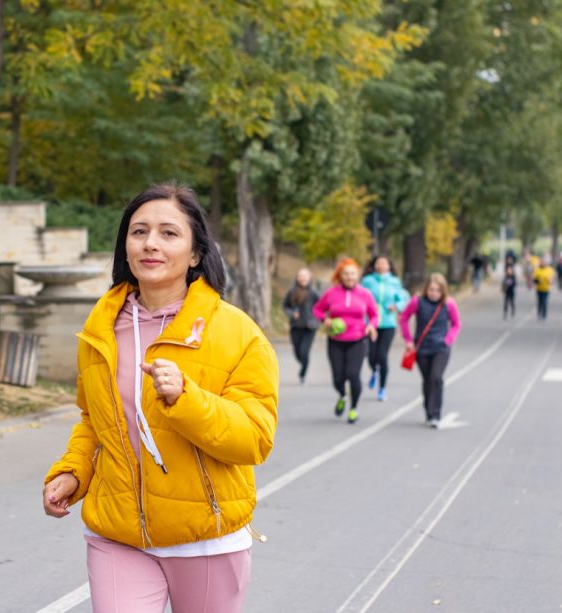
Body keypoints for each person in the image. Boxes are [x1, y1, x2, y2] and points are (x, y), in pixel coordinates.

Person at [41, 182, 278, 613]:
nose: (151, 243)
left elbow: (254, 439)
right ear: (125, 247)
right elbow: (94, 420)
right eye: (139, 232)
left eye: (169, 233)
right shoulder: (100, 331)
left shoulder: (238, 333)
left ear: (195, 253)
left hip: (206, 539)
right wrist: (74, 471)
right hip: (119, 534)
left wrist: (187, 399)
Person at [313, 258, 378, 424]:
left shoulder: (365, 294)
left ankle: (354, 409)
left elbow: (374, 314)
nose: (349, 277)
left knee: (353, 374)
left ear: (357, 276)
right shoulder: (331, 293)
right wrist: (325, 320)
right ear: (340, 276)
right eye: (346, 274)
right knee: (338, 378)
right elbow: (318, 310)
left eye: (352, 274)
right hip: (335, 340)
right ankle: (342, 395)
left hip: (358, 339)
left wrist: (371, 326)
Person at [399, 273, 461, 428]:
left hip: (441, 348)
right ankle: (428, 411)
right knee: (427, 380)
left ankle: (436, 414)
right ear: (426, 289)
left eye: (437, 290)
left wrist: (448, 339)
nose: (434, 293)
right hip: (422, 348)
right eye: (431, 290)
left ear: (443, 291)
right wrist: (408, 340)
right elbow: (404, 318)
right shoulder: (417, 302)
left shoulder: (449, 304)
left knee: (436, 377)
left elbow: (456, 324)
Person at [361, 255, 409, 402]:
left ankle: (382, 388)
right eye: (378, 263)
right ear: (374, 265)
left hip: (388, 323)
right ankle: (374, 371)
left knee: (382, 355)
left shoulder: (394, 282)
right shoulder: (367, 281)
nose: (381, 266)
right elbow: (360, 297)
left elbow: (404, 298)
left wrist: (396, 306)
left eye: (384, 263)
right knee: (371, 355)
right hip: (371, 323)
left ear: (389, 266)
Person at [282, 267, 320, 384]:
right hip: (296, 326)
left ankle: (303, 373)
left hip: (310, 327)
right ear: (297, 278)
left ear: (309, 278)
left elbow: (321, 308)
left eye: (305, 276)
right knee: (297, 352)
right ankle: (303, 363)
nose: (303, 278)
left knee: (304, 351)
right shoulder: (291, 292)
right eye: (300, 276)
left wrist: (316, 318)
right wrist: (292, 314)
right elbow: (285, 306)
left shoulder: (314, 293)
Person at [532, 256, 555, 320]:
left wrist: (551, 281)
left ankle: (544, 315)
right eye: (542, 262)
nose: (543, 263)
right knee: (539, 302)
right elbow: (534, 280)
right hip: (539, 289)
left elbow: (553, 279)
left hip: (546, 288)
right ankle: (539, 313)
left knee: (544, 302)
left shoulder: (550, 270)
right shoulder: (537, 270)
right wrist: (538, 281)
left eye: (544, 262)